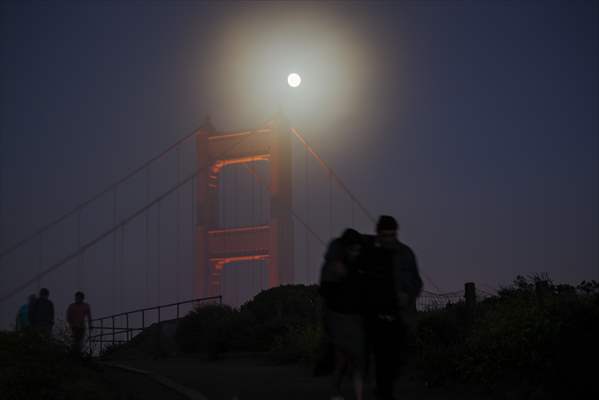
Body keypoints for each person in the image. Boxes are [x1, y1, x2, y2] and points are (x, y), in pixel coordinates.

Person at [361, 215, 422, 400]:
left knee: (396, 358)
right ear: (378, 234)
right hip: (376, 315)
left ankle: (384, 388)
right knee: (381, 357)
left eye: (392, 235)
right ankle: (384, 391)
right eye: (384, 235)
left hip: (400, 315)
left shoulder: (405, 253)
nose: (388, 239)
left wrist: (408, 294)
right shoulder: (369, 252)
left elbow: (416, 282)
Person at [319, 228, 366, 400]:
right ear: (346, 248)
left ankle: (354, 395)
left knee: (357, 360)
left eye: (358, 250)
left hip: (354, 317)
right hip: (339, 317)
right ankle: (336, 392)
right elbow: (326, 292)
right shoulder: (334, 266)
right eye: (353, 249)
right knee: (342, 359)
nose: (356, 253)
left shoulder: (359, 264)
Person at [66, 291, 92, 355]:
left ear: (82, 298)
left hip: (81, 327)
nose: (77, 299)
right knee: (74, 342)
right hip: (73, 327)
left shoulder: (85, 306)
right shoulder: (71, 306)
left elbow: (89, 316)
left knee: (80, 342)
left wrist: (90, 325)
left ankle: (78, 354)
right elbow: (68, 317)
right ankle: (74, 354)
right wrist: (70, 325)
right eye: (76, 297)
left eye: (79, 298)